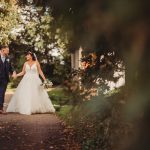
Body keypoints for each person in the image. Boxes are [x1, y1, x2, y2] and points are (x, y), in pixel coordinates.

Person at [6, 51, 55, 115]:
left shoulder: (36, 63)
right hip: (26, 80)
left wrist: (45, 79)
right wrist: (16, 75)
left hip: (35, 80)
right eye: (26, 55)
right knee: (27, 94)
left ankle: (36, 108)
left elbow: (40, 71)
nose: (26, 56)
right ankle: (27, 108)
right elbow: (23, 72)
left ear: (31, 56)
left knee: (36, 93)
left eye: (27, 55)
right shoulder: (25, 63)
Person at [0, 46, 15, 114]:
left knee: (2, 93)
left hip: (4, 79)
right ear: (3, 50)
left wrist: (13, 73)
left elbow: (11, 68)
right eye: (7, 51)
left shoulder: (8, 58)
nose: (8, 52)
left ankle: (1, 108)